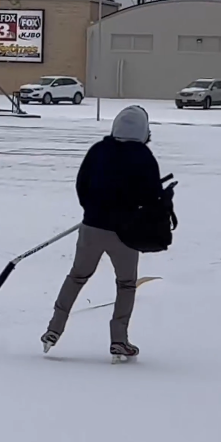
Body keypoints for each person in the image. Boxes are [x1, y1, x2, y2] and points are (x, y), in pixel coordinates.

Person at [42, 105, 162, 360]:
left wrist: (92, 211)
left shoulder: (98, 150)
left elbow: (82, 184)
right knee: (126, 284)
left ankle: (53, 329)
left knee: (77, 277)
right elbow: (153, 197)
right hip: (126, 233)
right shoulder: (144, 156)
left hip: (91, 228)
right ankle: (119, 339)